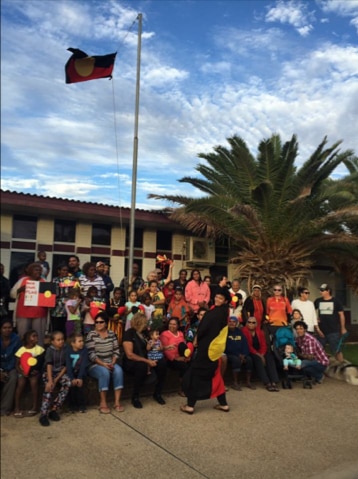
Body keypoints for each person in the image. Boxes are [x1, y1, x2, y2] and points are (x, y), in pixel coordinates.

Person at [180, 288, 231, 414]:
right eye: (217, 297)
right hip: (215, 350)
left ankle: (190, 406)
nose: (218, 299)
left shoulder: (213, 313)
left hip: (207, 349)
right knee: (216, 376)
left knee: (195, 375)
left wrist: (196, 338)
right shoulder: (224, 312)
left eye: (221, 298)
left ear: (225, 301)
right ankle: (223, 404)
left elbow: (203, 329)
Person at [123, 312, 167, 408]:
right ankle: (135, 397)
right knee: (141, 366)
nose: (146, 325)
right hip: (133, 361)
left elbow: (153, 342)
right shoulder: (129, 333)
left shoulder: (145, 333)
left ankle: (158, 393)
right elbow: (129, 355)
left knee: (162, 363)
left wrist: (158, 349)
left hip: (147, 357)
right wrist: (147, 361)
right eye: (145, 323)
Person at [86, 312, 124, 414]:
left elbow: (116, 351)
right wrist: (103, 364)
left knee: (119, 371)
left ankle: (117, 402)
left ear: (106, 323)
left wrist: (112, 362)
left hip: (110, 361)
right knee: (104, 372)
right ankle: (103, 402)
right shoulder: (91, 335)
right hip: (96, 364)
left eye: (101, 322)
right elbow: (91, 354)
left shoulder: (111, 334)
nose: (98, 324)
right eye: (96, 322)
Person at [10, 262, 48, 346]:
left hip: (40, 314)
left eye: (39, 270)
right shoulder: (22, 280)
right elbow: (12, 294)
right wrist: (20, 290)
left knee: (39, 337)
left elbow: (49, 296)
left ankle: (38, 356)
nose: (38, 272)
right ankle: (22, 355)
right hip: (24, 313)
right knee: (23, 336)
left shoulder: (44, 281)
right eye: (36, 270)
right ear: (30, 271)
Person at [39, 331, 71, 426]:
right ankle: (43, 414)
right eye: (58, 340)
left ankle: (54, 409)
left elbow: (66, 366)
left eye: (62, 339)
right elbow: (49, 365)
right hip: (48, 372)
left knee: (67, 383)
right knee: (49, 387)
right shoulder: (50, 350)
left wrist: (56, 379)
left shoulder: (66, 349)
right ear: (52, 341)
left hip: (60, 372)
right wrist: (50, 380)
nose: (61, 341)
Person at [242, 317, 280, 392]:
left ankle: (274, 381)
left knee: (269, 357)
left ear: (256, 324)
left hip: (260, 351)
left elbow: (263, 344)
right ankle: (267, 382)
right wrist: (259, 355)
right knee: (258, 359)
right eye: (249, 322)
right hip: (250, 352)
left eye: (253, 322)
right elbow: (248, 346)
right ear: (246, 323)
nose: (251, 324)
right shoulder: (244, 331)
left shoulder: (260, 332)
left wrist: (262, 354)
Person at [14, 329, 45, 417]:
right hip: (22, 371)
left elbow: (41, 363)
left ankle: (34, 407)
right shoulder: (21, 350)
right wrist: (22, 372)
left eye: (37, 336)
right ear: (28, 339)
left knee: (34, 382)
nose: (36, 338)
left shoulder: (39, 349)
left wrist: (37, 371)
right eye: (34, 336)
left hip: (34, 372)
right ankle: (17, 407)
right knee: (21, 383)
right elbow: (17, 364)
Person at [314, 284, 347, 362]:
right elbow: (311, 311)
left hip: (333, 330)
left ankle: (341, 366)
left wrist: (343, 328)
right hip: (321, 331)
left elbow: (341, 315)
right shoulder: (318, 301)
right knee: (318, 350)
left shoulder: (336, 301)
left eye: (322, 290)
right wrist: (315, 319)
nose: (320, 292)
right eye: (320, 290)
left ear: (328, 291)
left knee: (336, 350)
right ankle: (321, 366)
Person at [160, 317, 191, 395]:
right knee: (184, 366)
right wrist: (176, 358)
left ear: (177, 325)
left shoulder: (180, 333)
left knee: (191, 363)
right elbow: (165, 350)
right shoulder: (165, 334)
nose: (172, 326)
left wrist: (186, 357)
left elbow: (184, 345)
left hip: (182, 356)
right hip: (171, 359)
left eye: (174, 324)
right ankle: (182, 389)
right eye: (170, 324)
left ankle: (190, 386)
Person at [224, 316, 255, 390]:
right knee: (236, 360)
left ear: (237, 323)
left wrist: (244, 354)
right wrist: (238, 355)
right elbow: (227, 347)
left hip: (241, 354)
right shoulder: (225, 332)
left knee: (249, 359)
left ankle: (248, 382)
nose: (231, 323)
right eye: (230, 321)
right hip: (230, 354)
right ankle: (235, 382)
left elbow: (245, 344)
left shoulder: (239, 332)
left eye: (234, 322)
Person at [51, 263, 79, 336]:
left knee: (67, 329)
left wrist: (77, 282)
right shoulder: (55, 280)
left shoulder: (71, 280)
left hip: (69, 308)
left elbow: (76, 291)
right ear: (59, 271)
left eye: (67, 270)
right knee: (57, 328)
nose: (65, 272)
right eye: (63, 270)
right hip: (57, 308)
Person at [1, 319, 21, 416]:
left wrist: (7, 370)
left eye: (9, 328)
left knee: (13, 378)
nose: (7, 330)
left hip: (11, 366)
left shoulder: (16, 339)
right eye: (4, 328)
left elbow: (16, 357)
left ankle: (4, 409)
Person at [65, 333, 88, 413]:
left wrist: (80, 377)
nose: (82, 343)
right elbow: (68, 365)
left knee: (80, 387)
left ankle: (82, 405)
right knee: (72, 387)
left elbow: (83, 365)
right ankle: (72, 406)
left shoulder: (84, 350)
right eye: (79, 341)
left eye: (82, 341)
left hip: (81, 372)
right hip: (71, 372)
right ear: (73, 343)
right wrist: (72, 378)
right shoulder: (68, 351)